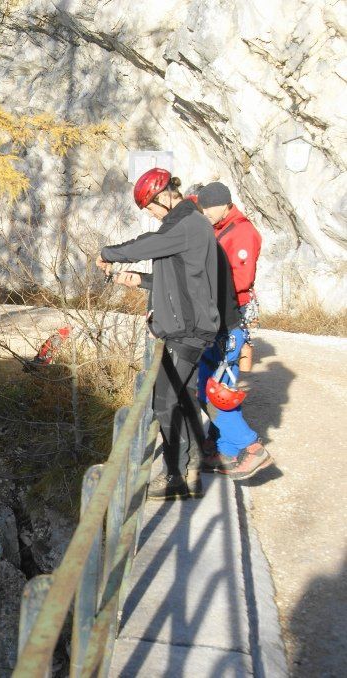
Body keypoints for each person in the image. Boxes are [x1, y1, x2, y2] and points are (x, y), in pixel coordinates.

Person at [97, 168, 221, 501]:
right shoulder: (185, 226)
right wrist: (140, 280)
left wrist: (108, 253)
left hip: (186, 331)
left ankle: (176, 477)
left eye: (150, 206)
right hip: (191, 328)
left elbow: (148, 245)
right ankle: (193, 469)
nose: (150, 213)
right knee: (185, 397)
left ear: (164, 195)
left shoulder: (187, 224)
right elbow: (182, 277)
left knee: (165, 402)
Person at [194, 182, 271, 479]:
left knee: (216, 391)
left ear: (225, 204)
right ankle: (224, 451)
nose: (206, 213)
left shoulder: (242, 232)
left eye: (209, 208)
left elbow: (240, 279)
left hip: (229, 320)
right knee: (211, 385)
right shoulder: (221, 228)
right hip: (217, 319)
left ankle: (251, 447)